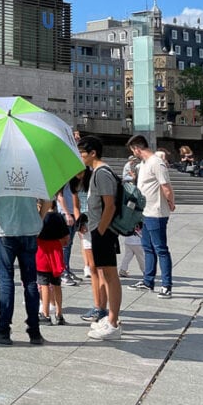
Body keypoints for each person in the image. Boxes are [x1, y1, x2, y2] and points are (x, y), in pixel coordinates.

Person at [0, 195, 48, 346]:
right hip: (29, 228)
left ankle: (3, 328)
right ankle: (34, 330)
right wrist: (39, 220)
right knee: (30, 281)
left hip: (5, 229)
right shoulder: (34, 171)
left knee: (6, 279)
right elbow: (48, 200)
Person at [78, 134, 123, 340]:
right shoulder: (95, 172)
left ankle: (113, 323)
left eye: (82, 153)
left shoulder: (102, 173)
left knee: (111, 277)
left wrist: (101, 231)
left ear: (93, 153)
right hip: (99, 230)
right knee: (105, 275)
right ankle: (110, 318)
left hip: (103, 231)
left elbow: (110, 205)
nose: (80, 156)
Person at [127, 134, 175, 298]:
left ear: (137, 148)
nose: (134, 154)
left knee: (161, 249)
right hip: (145, 212)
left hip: (156, 212)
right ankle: (148, 281)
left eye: (133, 151)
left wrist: (171, 202)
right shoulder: (144, 164)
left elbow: (166, 186)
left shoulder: (156, 162)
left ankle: (166, 285)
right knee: (148, 248)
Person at [36, 209, 70, 327]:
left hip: (42, 252)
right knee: (57, 284)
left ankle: (45, 314)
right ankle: (59, 314)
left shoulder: (39, 217)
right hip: (56, 253)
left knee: (44, 285)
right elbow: (66, 238)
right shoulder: (59, 217)